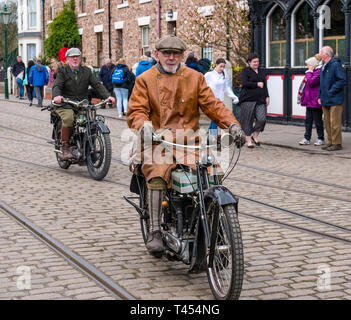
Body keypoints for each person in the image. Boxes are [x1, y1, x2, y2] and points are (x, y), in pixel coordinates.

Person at [126, 35, 245, 256]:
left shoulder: (195, 77)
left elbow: (212, 105)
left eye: (176, 54)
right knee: (157, 172)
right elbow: (136, 110)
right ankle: (155, 230)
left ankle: (213, 225)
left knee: (213, 174)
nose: (171, 58)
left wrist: (232, 125)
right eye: (166, 54)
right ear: (157, 55)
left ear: (182, 56)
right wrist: (144, 126)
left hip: (189, 142)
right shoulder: (145, 79)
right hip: (157, 141)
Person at [52, 48, 115, 160]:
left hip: (82, 104)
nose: (75, 59)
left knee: (92, 119)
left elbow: (96, 85)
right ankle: (65, 148)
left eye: (77, 56)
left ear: (80, 59)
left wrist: (107, 96)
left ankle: (89, 146)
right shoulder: (63, 71)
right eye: (72, 57)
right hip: (66, 103)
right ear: (67, 59)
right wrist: (57, 96)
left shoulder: (86, 71)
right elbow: (57, 85)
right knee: (69, 118)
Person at [318, 46, 347, 151]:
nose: (320, 54)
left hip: (335, 99)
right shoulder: (323, 66)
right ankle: (330, 142)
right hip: (325, 98)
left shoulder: (335, 65)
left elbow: (342, 80)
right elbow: (321, 84)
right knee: (327, 122)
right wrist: (320, 96)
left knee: (334, 122)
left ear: (326, 54)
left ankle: (337, 143)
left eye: (321, 52)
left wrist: (331, 91)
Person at [239, 52, 269, 148]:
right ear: (249, 62)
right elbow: (244, 83)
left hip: (260, 99)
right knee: (248, 120)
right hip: (248, 99)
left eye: (257, 62)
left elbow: (265, 86)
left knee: (262, 119)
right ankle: (249, 141)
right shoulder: (245, 71)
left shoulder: (261, 71)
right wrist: (256, 84)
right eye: (254, 62)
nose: (256, 63)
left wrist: (267, 96)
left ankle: (255, 135)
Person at [205, 58, 239, 141]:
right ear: (216, 65)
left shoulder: (224, 75)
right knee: (216, 119)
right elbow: (201, 86)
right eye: (220, 66)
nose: (222, 68)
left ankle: (207, 135)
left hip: (220, 101)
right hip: (210, 101)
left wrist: (234, 97)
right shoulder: (208, 75)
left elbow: (227, 88)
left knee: (215, 119)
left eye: (223, 67)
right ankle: (212, 138)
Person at [297, 54, 324, 146]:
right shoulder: (311, 72)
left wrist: (309, 72)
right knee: (308, 121)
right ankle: (306, 137)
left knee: (318, 121)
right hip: (309, 100)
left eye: (308, 65)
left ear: (312, 65)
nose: (306, 67)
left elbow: (311, 82)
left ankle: (320, 138)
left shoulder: (318, 72)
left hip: (315, 100)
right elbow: (306, 86)